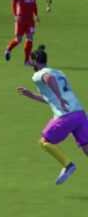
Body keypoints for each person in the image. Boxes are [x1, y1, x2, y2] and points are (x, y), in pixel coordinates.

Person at [17, 45, 88, 184]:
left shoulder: (39, 74)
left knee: (44, 141)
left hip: (65, 115)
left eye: (31, 61)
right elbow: (49, 98)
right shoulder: (59, 72)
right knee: (86, 148)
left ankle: (68, 165)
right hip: (80, 114)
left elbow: (48, 78)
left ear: (35, 61)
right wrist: (32, 95)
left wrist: (59, 98)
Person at [5, 0, 39, 65]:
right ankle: (8, 49)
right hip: (21, 18)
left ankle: (27, 60)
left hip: (30, 20)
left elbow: (34, 5)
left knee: (30, 38)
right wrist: (15, 15)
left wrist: (36, 16)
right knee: (19, 39)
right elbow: (13, 4)